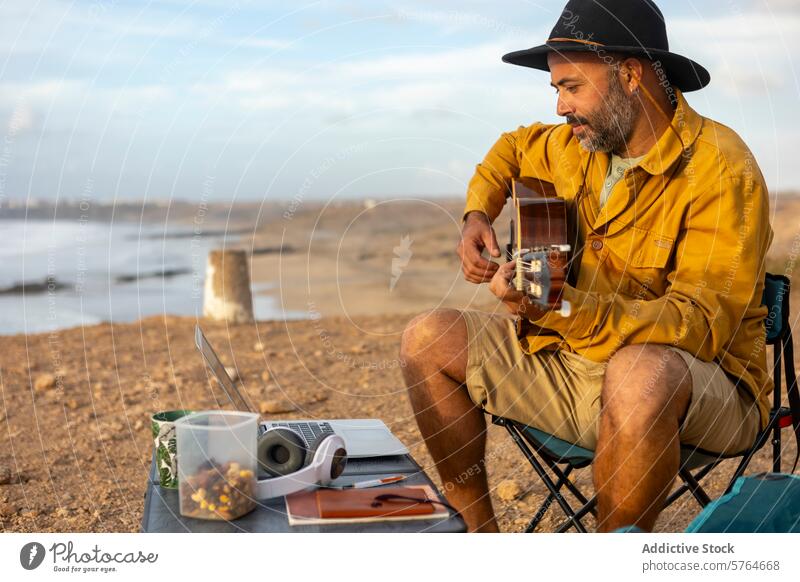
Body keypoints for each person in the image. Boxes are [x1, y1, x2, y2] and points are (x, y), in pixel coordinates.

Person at [400, 0, 773, 533]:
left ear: (630, 75)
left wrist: (560, 305)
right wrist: (477, 212)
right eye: (555, 89)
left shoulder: (721, 168)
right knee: (425, 337)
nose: (559, 107)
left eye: (571, 87)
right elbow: (510, 148)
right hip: (573, 364)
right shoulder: (579, 143)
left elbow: (701, 325)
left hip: (701, 387)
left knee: (639, 373)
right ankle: (477, 540)